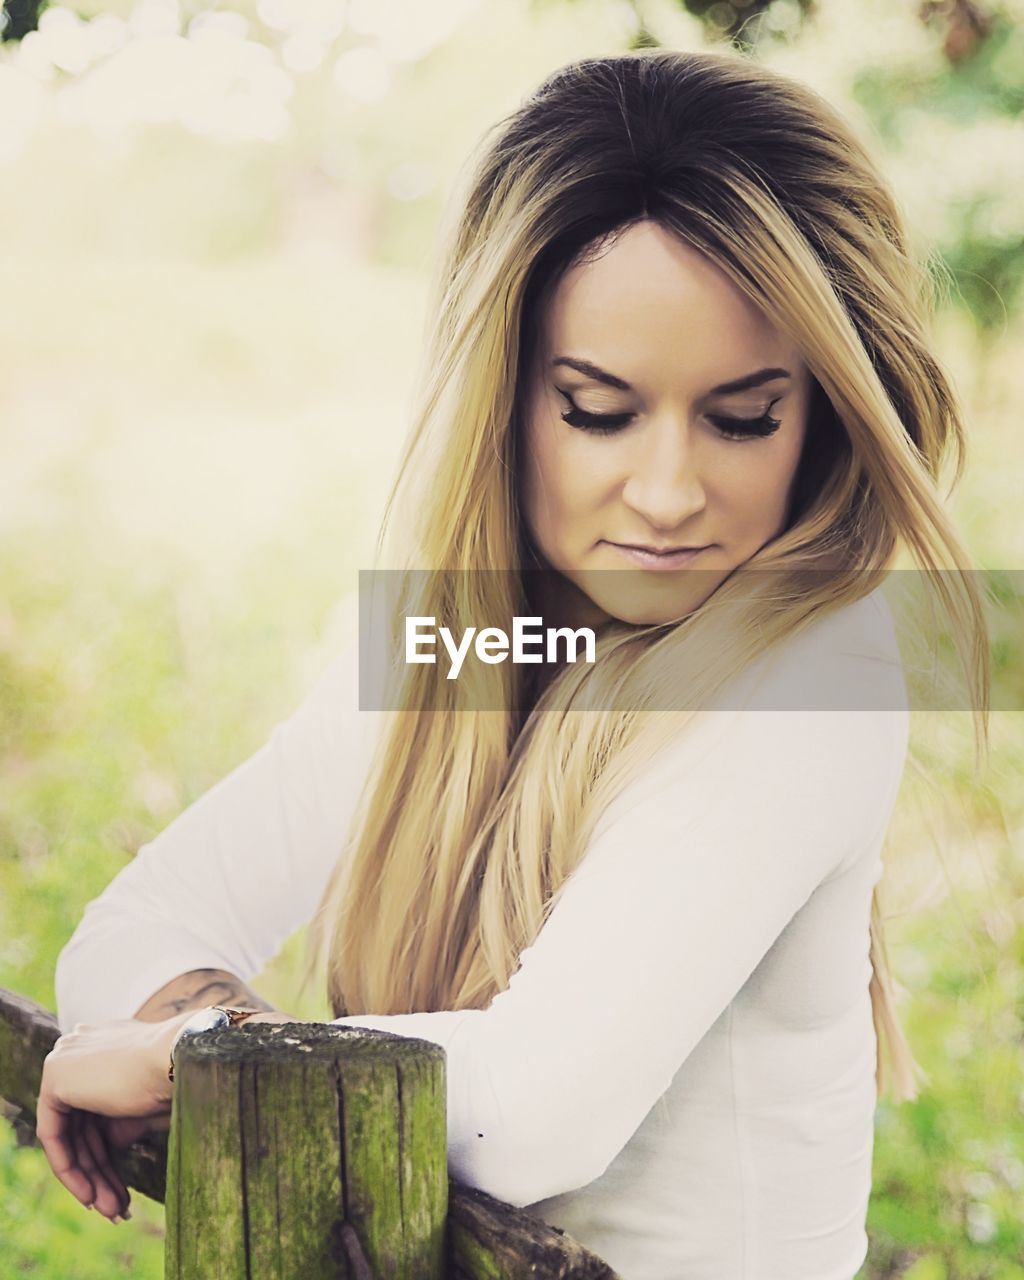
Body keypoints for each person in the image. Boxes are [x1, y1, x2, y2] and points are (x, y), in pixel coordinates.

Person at [40, 47, 989, 1280]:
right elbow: (128, 931)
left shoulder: (811, 675)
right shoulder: (455, 637)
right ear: (501, 388)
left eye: (742, 415)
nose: (667, 492)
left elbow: (535, 1106)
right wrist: (250, 1046)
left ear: (820, 412)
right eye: (597, 408)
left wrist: (201, 1054)